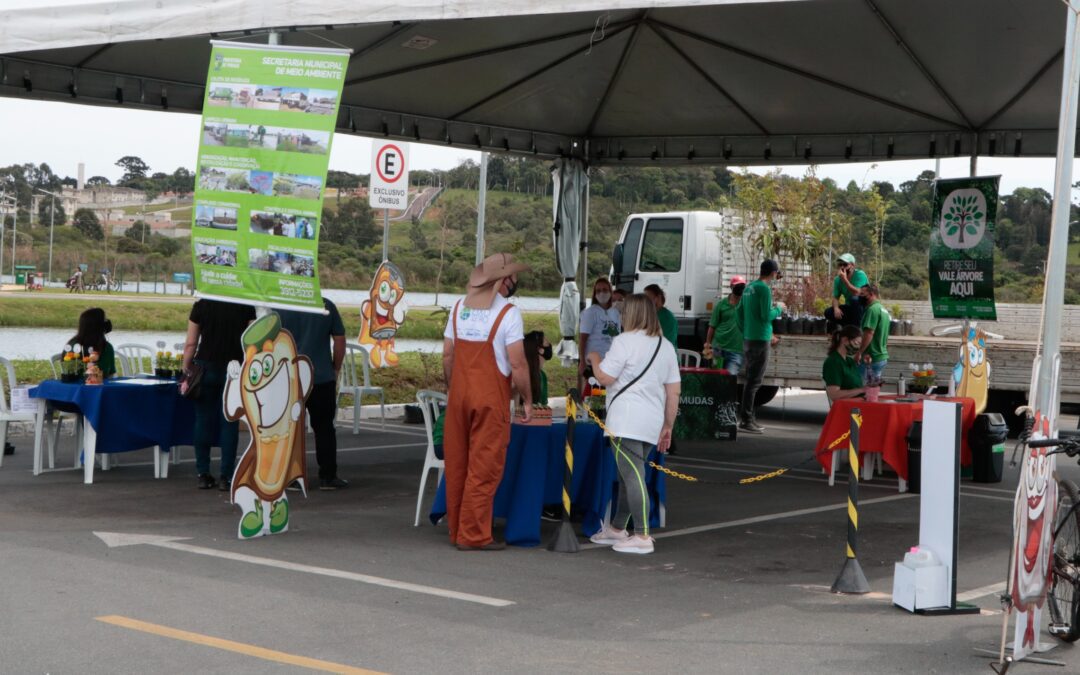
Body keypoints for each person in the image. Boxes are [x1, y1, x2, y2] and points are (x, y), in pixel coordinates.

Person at [442, 253, 533, 551]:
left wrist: (452, 388)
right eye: (515, 277)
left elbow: (448, 355)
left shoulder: (458, 307)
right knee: (484, 467)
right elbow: (518, 364)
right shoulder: (508, 313)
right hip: (490, 398)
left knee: (457, 464)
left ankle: (457, 530)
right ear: (505, 281)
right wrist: (527, 399)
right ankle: (474, 535)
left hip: (458, 395)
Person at [586, 294, 680, 555]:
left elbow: (604, 377)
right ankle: (617, 529)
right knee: (629, 476)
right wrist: (668, 425)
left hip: (625, 419)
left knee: (632, 476)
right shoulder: (666, 346)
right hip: (651, 421)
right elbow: (673, 392)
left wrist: (594, 358)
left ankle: (641, 535)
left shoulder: (623, 341)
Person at [181, 299, 256, 490]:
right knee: (229, 422)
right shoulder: (245, 305)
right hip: (235, 369)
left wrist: (186, 368)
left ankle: (203, 473)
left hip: (205, 367)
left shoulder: (201, 305)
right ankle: (226, 476)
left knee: (203, 419)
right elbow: (252, 343)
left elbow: (191, 343)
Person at [278, 297, 348, 490]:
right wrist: (335, 368)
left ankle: (292, 477)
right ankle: (328, 476)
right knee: (324, 428)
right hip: (321, 377)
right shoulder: (327, 306)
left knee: (291, 429)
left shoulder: (281, 305)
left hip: (290, 379)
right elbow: (340, 340)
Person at [738, 260, 785, 434]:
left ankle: (747, 418)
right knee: (755, 381)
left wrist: (746, 330)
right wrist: (779, 308)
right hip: (760, 338)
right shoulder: (764, 289)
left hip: (749, 337)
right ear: (773, 273)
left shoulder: (749, 287)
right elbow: (766, 315)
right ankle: (747, 420)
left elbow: (739, 312)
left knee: (750, 380)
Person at [578, 277, 621, 391]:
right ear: (594, 294)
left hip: (612, 363)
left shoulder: (615, 313)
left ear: (610, 292)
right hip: (594, 364)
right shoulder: (590, 313)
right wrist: (582, 361)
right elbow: (582, 340)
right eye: (598, 291)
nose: (602, 293)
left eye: (605, 290)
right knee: (594, 394)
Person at [703, 275, 745, 373]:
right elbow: (712, 325)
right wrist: (708, 344)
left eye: (742, 286)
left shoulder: (746, 305)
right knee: (716, 379)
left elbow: (757, 321)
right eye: (737, 286)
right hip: (718, 348)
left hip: (736, 351)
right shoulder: (721, 304)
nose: (740, 289)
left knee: (729, 381)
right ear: (731, 287)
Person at [853, 283, 890, 381]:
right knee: (873, 391)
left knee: (860, 388)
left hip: (870, 357)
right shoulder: (883, 310)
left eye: (862, 294)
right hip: (881, 356)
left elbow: (869, 333)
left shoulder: (872, 310)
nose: (859, 296)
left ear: (872, 294)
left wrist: (859, 352)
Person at [68, 308, 116, 379]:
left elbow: (111, 374)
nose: (107, 322)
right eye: (104, 320)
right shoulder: (106, 347)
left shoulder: (71, 344)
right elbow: (110, 374)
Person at [825, 253, 869, 331]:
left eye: (845, 264)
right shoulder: (838, 279)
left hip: (863, 307)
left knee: (854, 299)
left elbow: (858, 293)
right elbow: (835, 297)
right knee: (828, 312)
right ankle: (849, 327)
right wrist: (836, 308)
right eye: (840, 264)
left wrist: (845, 280)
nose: (842, 267)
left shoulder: (860, 275)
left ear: (852, 265)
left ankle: (856, 330)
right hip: (850, 307)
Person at [823, 325, 865, 403]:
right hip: (847, 408)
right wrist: (861, 390)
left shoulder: (850, 361)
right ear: (845, 340)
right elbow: (834, 394)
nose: (857, 348)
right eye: (856, 343)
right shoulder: (833, 362)